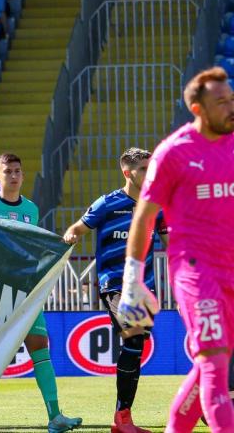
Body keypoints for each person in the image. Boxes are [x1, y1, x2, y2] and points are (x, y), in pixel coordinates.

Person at [119, 69, 234, 432]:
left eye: (232, 99)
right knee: (216, 362)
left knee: (208, 367)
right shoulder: (173, 153)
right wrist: (133, 280)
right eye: (222, 102)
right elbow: (144, 217)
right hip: (195, 271)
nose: (231, 107)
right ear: (198, 109)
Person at [0, 153, 82, 433]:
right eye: (8, 171)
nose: (14, 176)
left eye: (18, 171)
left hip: (24, 290)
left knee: (40, 346)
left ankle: (55, 417)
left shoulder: (31, 209)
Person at [63, 148, 168, 433]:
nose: (150, 174)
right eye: (144, 169)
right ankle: (122, 418)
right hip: (115, 285)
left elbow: (173, 243)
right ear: (127, 173)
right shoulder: (108, 204)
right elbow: (76, 230)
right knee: (133, 337)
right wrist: (69, 236)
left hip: (145, 289)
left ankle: (123, 417)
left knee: (134, 348)